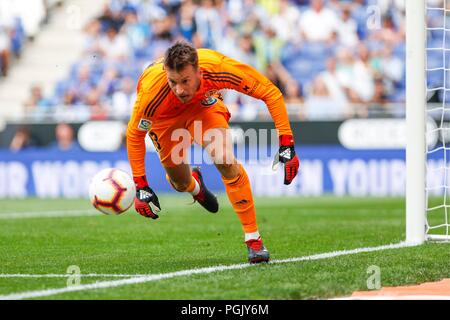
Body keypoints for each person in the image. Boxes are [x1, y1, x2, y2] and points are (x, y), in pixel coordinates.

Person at [126, 41, 300, 264]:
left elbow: (270, 92)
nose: (179, 89)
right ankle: (195, 186)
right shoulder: (152, 92)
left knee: (224, 159)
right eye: (173, 82)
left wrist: (287, 142)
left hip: (203, 108)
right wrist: (140, 185)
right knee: (179, 182)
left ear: (199, 72)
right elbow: (134, 135)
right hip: (164, 121)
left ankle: (253, 240)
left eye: (186, 81)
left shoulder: (216, 67)